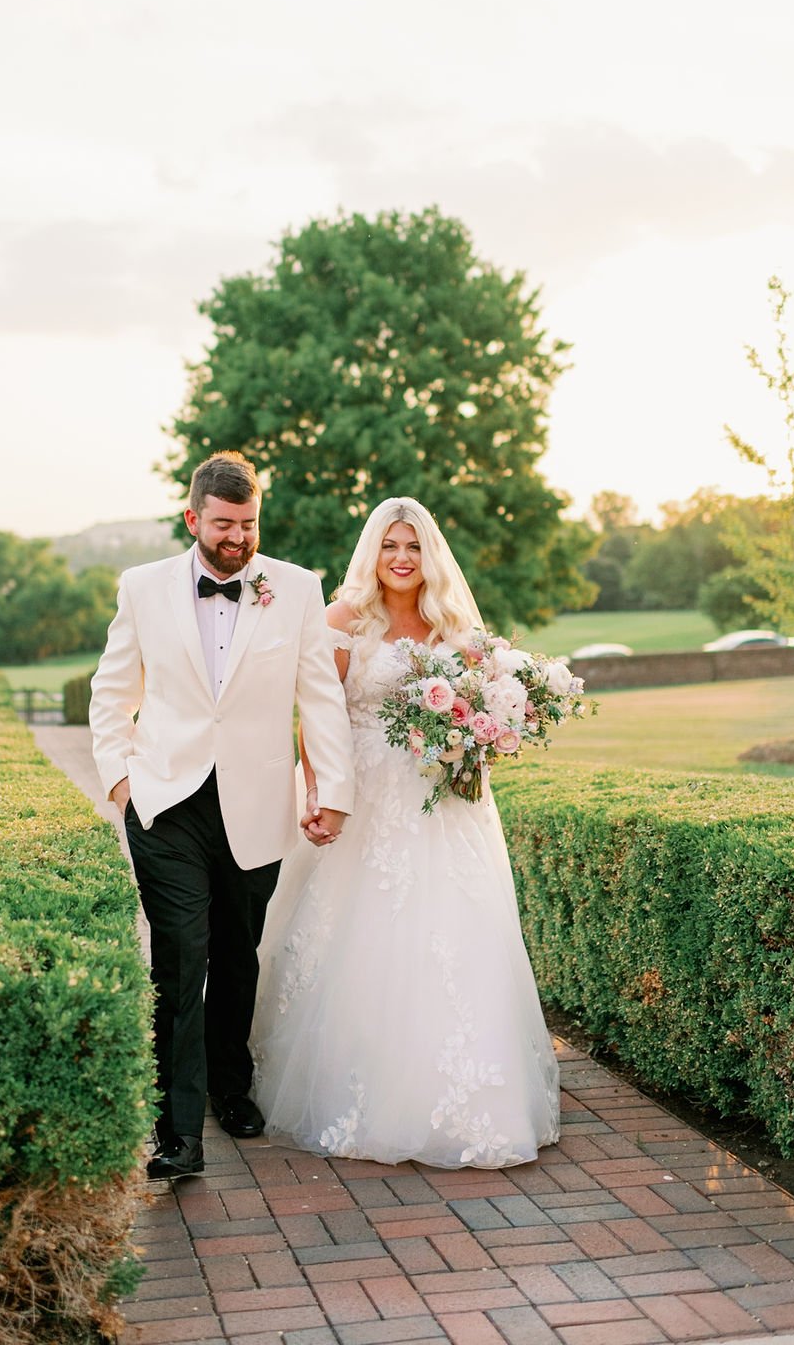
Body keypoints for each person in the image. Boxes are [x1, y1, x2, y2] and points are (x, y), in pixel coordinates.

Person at [250, 497, 560, 1169]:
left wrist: (483, 736)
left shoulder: (454, 630)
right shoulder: (341, 622)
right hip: (362, 798)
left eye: (413, 547)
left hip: (442, 802)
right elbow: (317, 719)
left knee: (454, 935)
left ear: (429, 556)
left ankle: (470, 1094)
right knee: (357, 933)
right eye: (390, 545)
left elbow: (481, 712)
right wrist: (320, 795)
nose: (401, 558)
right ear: (373, 551)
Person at [90, 451, 354, 1180]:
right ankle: (177, 1134)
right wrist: (120, 784)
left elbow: (320, 697)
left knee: (239, 956)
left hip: (257, 805)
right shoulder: (142, 588)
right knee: (180, 957)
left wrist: (330, 790)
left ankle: (231, 1089)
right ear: (192, 518)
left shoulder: (297, 589)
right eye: (223, 524)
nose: (237, 538)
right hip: (165, 805)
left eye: (248, 524)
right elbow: (111, 691)